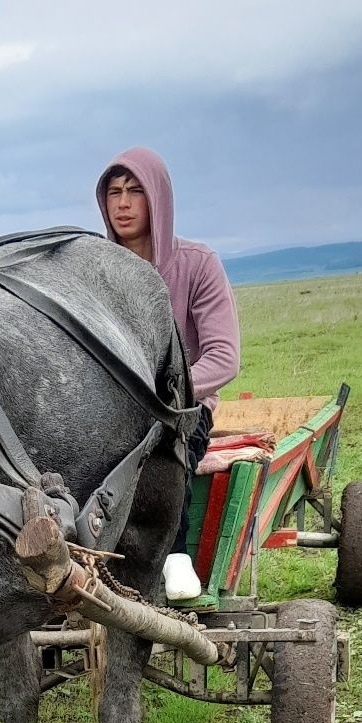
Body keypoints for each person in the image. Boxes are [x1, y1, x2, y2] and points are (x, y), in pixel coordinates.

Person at [96, 147, 240, 600]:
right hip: (110, 408)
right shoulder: (95, 268)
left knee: (163, 454)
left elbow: (223, 355)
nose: (122, 204)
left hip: (183, 410)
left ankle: (174, 558)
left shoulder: (196, 265)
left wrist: (165, 395)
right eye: (114, 193)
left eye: (135, 191)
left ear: (158, 198)